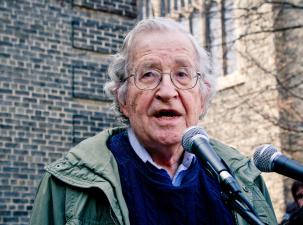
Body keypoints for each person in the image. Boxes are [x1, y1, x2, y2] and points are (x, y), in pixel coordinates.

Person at [30, 17, 277, 225]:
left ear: (201, 98)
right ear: (123, 98)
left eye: (182, 74)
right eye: (149, 74)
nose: (167, 91)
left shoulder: (245, 180)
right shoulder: (67, 186)